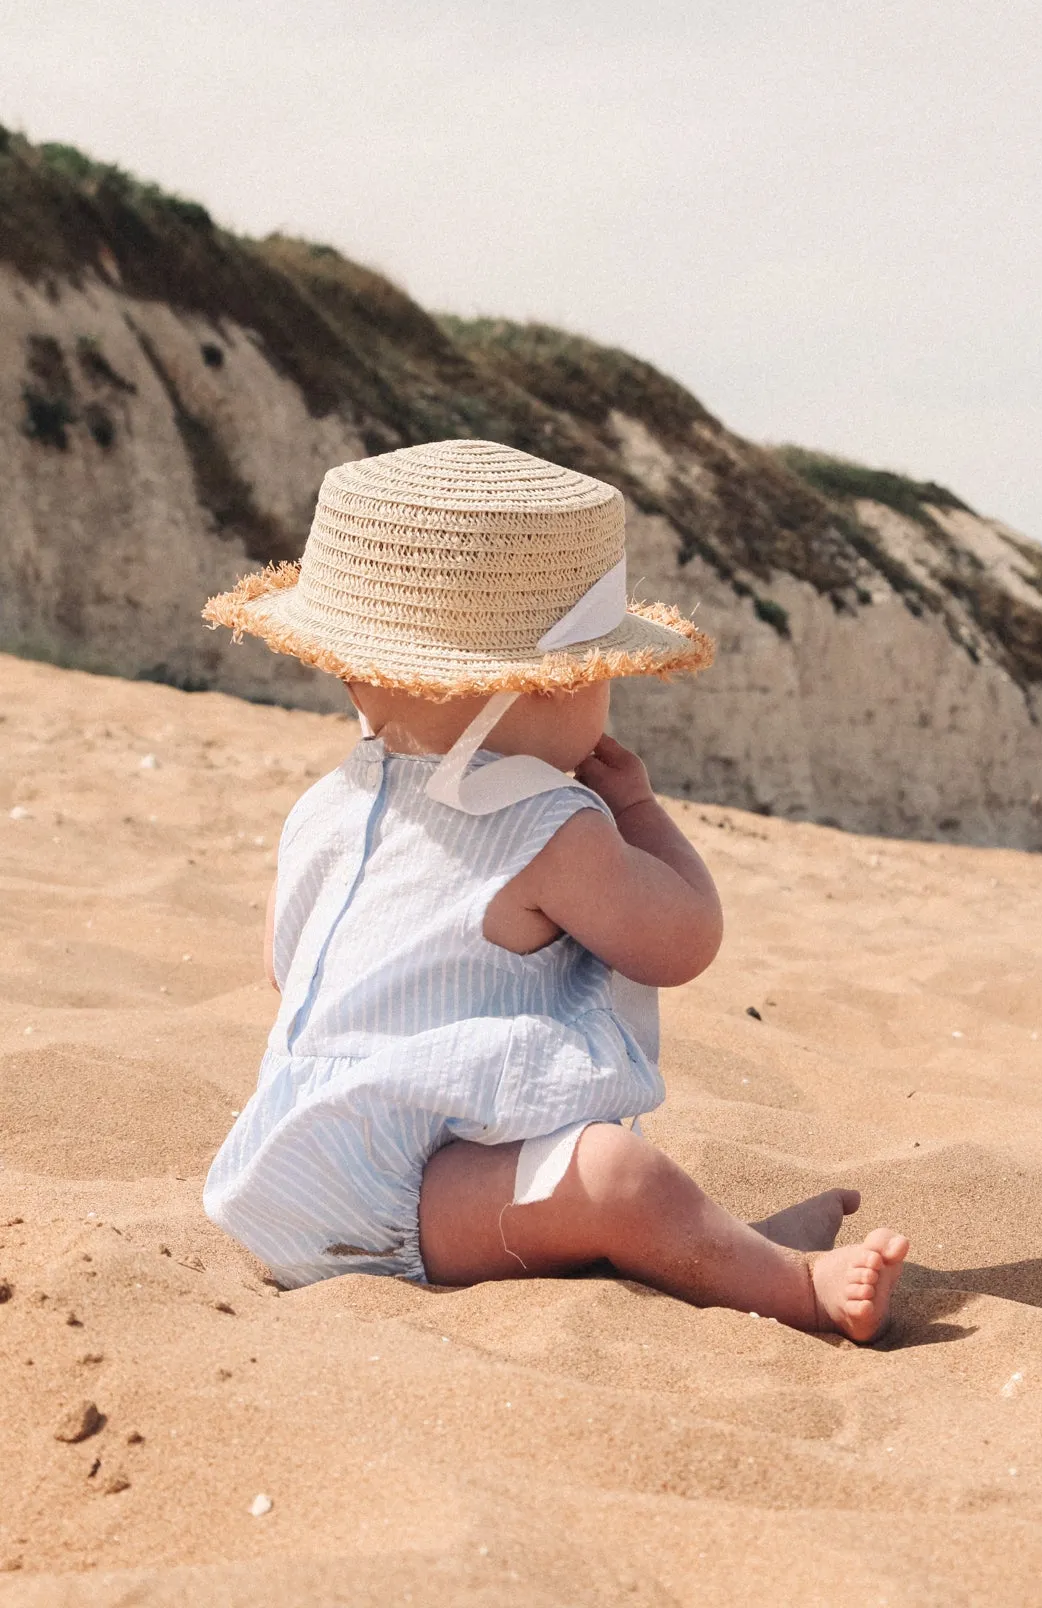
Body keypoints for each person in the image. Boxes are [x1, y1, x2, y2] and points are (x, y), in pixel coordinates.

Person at [201, 438, 909, 1340]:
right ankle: (785, 1284)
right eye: (595, 674)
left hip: (292, 1165)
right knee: (616, 1177)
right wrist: (641, 813)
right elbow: (681, 940)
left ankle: (722, 1249)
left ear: (356, 675)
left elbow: (283, 966)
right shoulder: (548, 824)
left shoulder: (329, 805)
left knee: (590, 1183)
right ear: (529, 690)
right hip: (407, 1190)